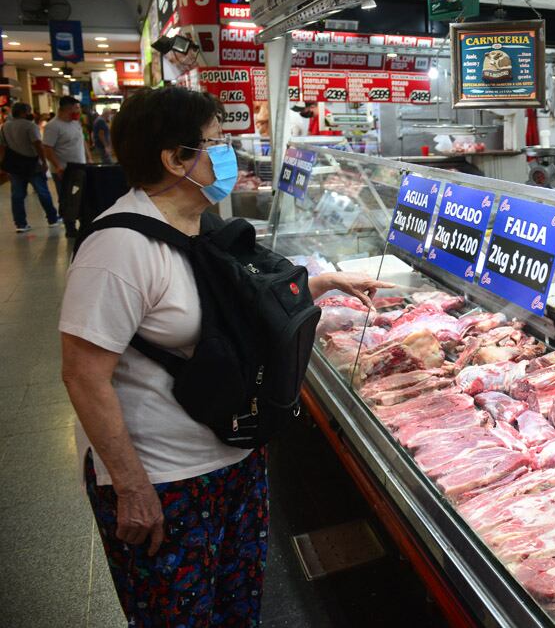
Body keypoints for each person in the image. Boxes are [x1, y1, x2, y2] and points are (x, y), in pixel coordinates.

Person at [58, 86, 392, 626]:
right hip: (166, 479)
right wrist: (131, 486)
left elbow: (234, 308)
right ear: (174, 159)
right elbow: (82, 376)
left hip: (233, 457)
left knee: (236, 610)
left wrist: (325, 282)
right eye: (217, 142)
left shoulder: (198, 222)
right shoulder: (117, 249)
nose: (228, 153)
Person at [0, 102, 61, 232]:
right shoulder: (30, 126)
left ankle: (21, 224)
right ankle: (52, 218)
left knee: (17, 195)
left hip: (14, 165)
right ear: (24, 112)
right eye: (29, 111)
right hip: (32, 164)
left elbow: (3, 147)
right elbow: (38, 145)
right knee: (43, 192)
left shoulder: (5, 126)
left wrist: (3, 164)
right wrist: (43, 161)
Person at [43, 96, 88, 236]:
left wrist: (89, 157)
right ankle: (70, 227)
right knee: (66, 198)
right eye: (76, 109)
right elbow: (47, 148)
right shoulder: (53, 126)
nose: (78, 112)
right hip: (63, 169)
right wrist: (57, 166)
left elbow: (82, 141)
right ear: (66, 109)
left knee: (82, 196)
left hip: (81, 166)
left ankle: (84, 223)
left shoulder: (75, 123)